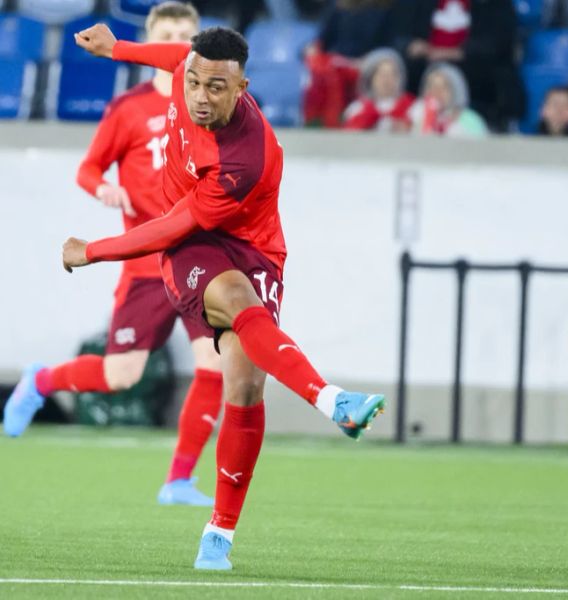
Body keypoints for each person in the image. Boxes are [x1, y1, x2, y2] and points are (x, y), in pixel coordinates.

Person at [48, 23, 383, 571]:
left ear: (242, 87)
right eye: (196, 83)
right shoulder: (188, 68)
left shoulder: (244, 157)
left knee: (247, 386)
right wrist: (119, 49)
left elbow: (171, 222)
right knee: (228, 295)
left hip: (254, 249)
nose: (201, 97)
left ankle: (219, 535)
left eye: (216, 88)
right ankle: (330, 399)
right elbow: (174, 56)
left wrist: (94, 250)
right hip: (192, 248)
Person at [2, 2, 221, 507]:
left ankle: (179, 481)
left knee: (215, 367)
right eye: (168, 33)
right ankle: (39, 381)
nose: (179, 43)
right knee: (120, 375)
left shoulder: (211, 108)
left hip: (201, 262)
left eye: (187, 35)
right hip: (146, 262)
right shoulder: (129, 108)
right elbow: (88, 168)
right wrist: (103, 189)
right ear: (151, 40)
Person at [393, 0, 521, 130]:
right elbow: (397, 34)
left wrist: (456, 53)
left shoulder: (495, 4)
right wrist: (411, 45)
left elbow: (499, 42)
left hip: (476, 74)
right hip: (423, 66)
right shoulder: (414, 3)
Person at [304, 0, 396, 127]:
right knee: (327, 74)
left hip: (368, 62)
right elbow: (323, 40)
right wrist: (312, 49)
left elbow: (387, 44)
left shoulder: (383, 10)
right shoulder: (337, 7)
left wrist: (367, 60)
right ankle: (326, 123)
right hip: (338, 63)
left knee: (376, 70)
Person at [343, 48, 415, 131]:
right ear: (371, 78)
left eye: (392, 75)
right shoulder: (357, 108)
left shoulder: (413, 108)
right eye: (382, 75)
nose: (387, 80)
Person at [408, 62, 488, 138]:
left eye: (444, 87)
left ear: (455, 91)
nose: (436, 92)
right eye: (430, 86)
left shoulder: (471, 120)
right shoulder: (414, 114)